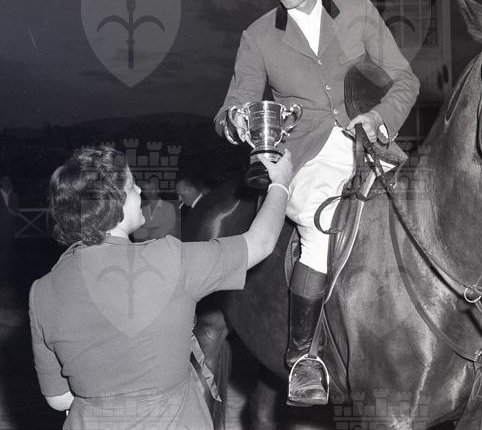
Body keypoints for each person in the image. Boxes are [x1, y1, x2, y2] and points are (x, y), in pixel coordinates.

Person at [215, 0, 419, 405]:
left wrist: (379, 118)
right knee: (321, 230)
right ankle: (303, 357)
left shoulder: (360, 13)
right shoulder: (257, 36)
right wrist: (237, 120)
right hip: (304, 156)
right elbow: (230, 107)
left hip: (372, 144)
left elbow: (405, 80)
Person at [29, 145, 293, 429]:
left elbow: (58, 399)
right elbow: (260, 243)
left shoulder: (42, 291)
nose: (139, 191)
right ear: (115, 202)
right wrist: (280, 184)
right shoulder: (168, 259)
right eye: (132, 186)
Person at [132, 177, 180, 241]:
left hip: (163, 244)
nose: (149, 192)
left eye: (152, 189)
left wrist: (146, 232)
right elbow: (136, 234)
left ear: (158, 190)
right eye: (146, 189)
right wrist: (155, 230)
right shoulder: (142, 210)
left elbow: (168, 230)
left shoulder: (169, 207)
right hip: (146, 245)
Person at [0, 175, 20, 263]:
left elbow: (16, 213)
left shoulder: (14, 196)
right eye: (4, 180)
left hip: (10, 227)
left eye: (8, 180)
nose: (7, 182)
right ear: (0, 182)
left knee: (8, 253)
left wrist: (9, 210)